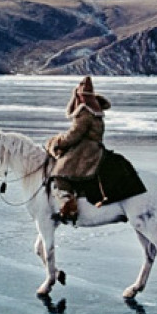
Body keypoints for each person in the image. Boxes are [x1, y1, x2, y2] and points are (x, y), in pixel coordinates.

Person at [46, 76, 111, 223]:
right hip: (94, 146)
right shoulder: (95, 110)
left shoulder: (85, 112)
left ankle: (70, 207)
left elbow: (74, 135)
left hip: (86, 149)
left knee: (60, 172)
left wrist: (57, 142)